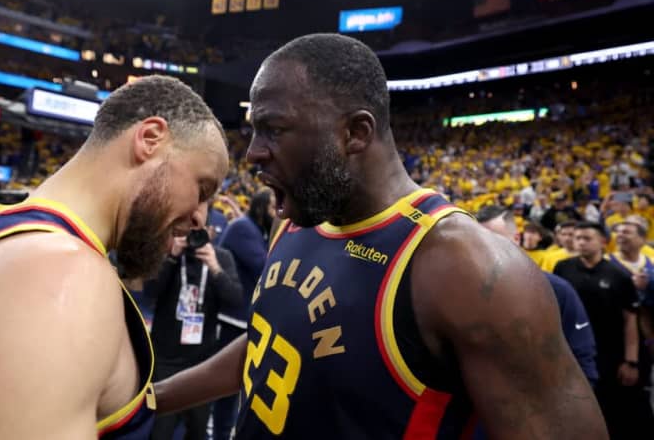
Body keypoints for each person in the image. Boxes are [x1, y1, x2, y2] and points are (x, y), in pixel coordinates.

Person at [153, 34, 606, 439]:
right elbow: (270, 342)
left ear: (355, 132)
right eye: (254, 130)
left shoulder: (465, 266)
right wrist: (150, 400)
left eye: (274, 129)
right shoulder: (294, 218)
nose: (252, 153)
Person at [0, 76, 229, 440]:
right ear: (150, 139)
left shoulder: (22, 247)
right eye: (202, 188)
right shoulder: (60, 276)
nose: (201, 215)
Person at [144, 201, 242, 440]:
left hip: (202, 362)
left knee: (198, 432)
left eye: (202, 233)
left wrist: (216, 269)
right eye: (191, 233)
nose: (195, 237)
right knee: (160, 432)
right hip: (166, 360)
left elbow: (236, 299)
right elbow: (150, 292)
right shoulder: (170, 253)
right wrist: (171, 258)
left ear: (210, 233)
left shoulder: (221, 256)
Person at [475, 206, 598, 385]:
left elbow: (581, 358)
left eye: (493, 239)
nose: (484, 249)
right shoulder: (463, 293)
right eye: (476, 243)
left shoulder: (556, 289)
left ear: (516, 239)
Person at [554, 222, 654, 439]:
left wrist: (631, 361)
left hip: (610, 353)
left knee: (616, 411)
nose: (580, 242)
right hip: (575, 351)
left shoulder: (618, 275)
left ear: (603, 242)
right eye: (577, 238)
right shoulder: (563, 268)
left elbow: (630, 320)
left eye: (587, 238)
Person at [213, 189, 275, 440]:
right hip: (231, 319)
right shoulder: (243, 228)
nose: (277, 213)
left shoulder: (251, 228)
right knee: (224, 392)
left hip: (241, 319)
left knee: (234, 392)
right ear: (260, 208)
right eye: (272, 207)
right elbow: (267, 266)